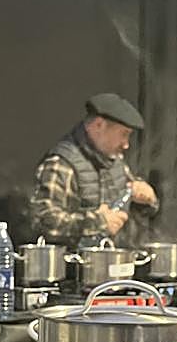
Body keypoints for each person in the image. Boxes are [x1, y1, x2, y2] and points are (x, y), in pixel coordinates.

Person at [30, 93, 159, 248]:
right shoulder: (61, 165)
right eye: (123, 134)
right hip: (76, 266)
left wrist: (147, 200)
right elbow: (43, 221)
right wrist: (97, 222)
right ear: (99, 125)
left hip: (114, 262)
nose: (126, 144)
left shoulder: (115, 161)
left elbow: (131, 206)